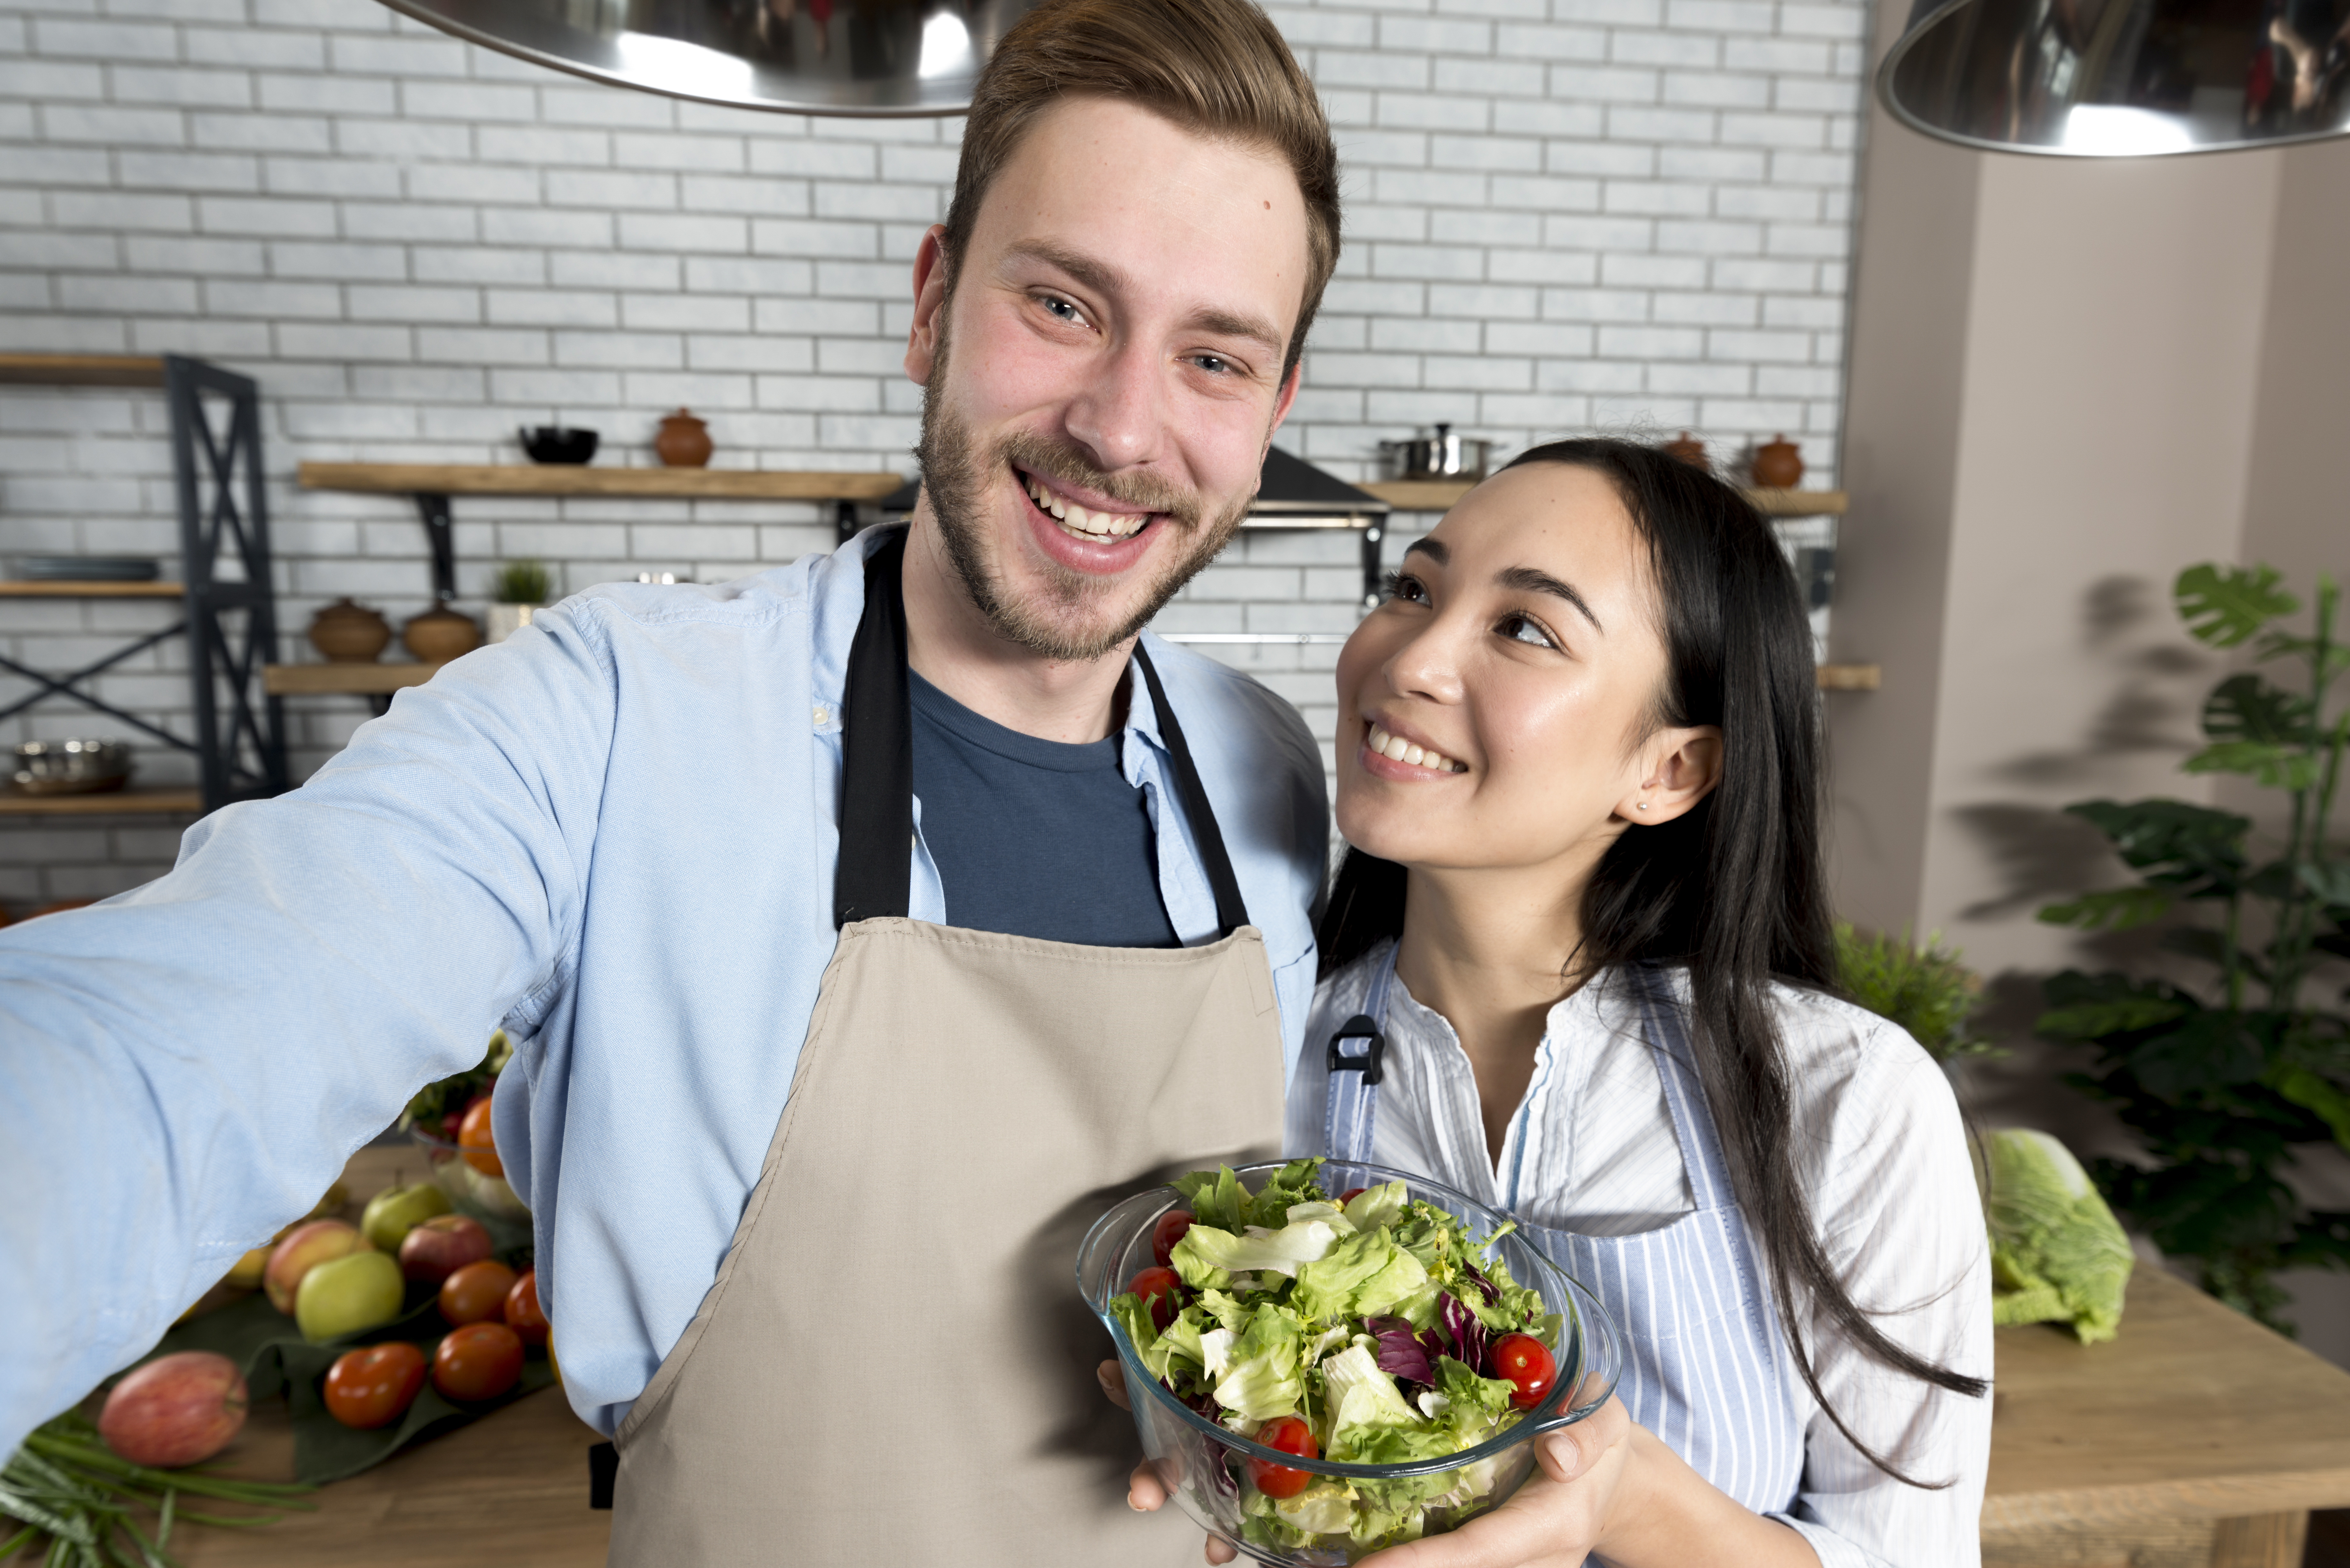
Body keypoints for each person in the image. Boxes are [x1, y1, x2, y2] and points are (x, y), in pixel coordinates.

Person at [0, 1, 1339, 1561]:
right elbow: (168, 1048)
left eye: (1214, 356)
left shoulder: (1264, 766)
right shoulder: (613, 719)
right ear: (931, 304)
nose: (1123, 426)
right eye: (1060, 302)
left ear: (1269, 418)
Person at [1123, 441, 1992, 1566]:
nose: (1414, 660)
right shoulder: (1257, 1051)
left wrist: (1621, 1496)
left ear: (1672, 772)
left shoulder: (1848, 1101)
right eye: (1415, 590)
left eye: (1525, 629)